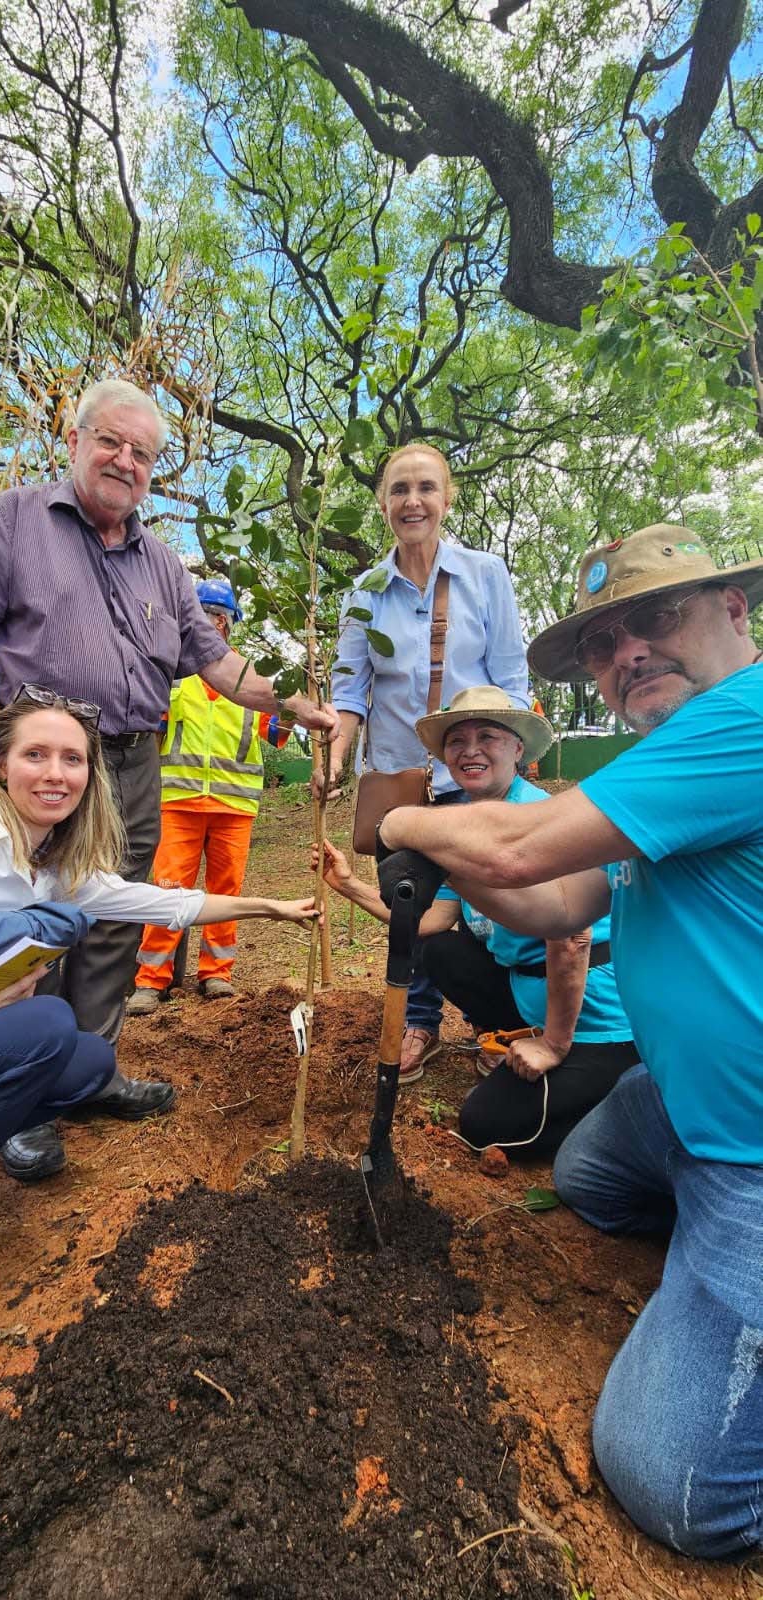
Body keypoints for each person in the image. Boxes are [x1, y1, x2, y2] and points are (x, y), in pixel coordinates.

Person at [374, 525, 763, 1558]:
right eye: (603, 641)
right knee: (586, 1176)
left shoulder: (748, 718)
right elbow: (551, 904)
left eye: (658, 617)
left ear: (734, 608)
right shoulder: (663, 767)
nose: (628, 651)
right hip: (683, 1104)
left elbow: (520, 847)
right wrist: (456, 862)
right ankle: (706, 1256)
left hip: (756, 1149)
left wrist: (404, 827)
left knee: (678, 1489)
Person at [0, 377, 338, 1178]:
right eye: (111, 441)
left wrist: (298, 701)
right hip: (46, 765)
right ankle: (21, 1098)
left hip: (132, 762)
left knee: (114, 920)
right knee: (35, 923)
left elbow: (219, 664)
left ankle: (86, 1074)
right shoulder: (14, 519)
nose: (126, 460)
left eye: (143, 453)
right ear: (75, 440)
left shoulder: (162, 564)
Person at [0, 692, 320, 1334]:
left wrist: (269, 908)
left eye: (72, 759)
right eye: (36, 755)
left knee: (85, 1063)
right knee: (45, 1026)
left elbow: (166, 905)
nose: (56, 773)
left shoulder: (52, 870)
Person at [316, 687, 637, 1153]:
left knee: (485, 1124)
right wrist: (348, 885)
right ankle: (517, 1039)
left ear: (518, 749)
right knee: (441, 951)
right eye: (457, 741)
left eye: (487, 736)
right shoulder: (462, 826)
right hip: (528, 990)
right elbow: (430, 921)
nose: (470, 751)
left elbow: (571, 937)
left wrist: (553, 1044)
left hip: (589, 1012)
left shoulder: (540, 819)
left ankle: (626, 1095)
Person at [314, 443, 528, 1083]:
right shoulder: (366, 592)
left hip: (473, 774)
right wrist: (335, 757)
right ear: (382, 503)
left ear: (447, 498)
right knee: (408, 900)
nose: (413, 501)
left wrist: (508, 765)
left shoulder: (485, 575)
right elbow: (350, 689)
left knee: (491, 901)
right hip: (399, 780)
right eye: (399, 489)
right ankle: (418, 1022)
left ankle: (507, 1018)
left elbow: (510, 679)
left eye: (426, 488)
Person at [127, 579, 292, 1010]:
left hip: (234, 806)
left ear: (228, 624)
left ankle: (216, 973)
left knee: (226, 892)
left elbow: (277, 733)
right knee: (168, 891)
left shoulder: (250, 682)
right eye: (204, 615)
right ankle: (151, 980)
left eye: (218, 616)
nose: (212, 623)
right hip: (178, 803)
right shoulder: (172, 678)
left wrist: (300, 698)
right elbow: (151, 733)